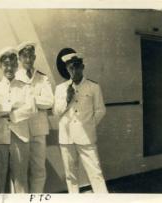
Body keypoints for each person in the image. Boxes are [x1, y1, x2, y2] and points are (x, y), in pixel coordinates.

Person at [53, 48, 108, 193]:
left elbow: (101, 110)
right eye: (71, 67)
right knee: (71, 177)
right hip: (67, 138)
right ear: (66, 69)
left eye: (77, 66)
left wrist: (88, 124)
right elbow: (56, 112)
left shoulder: (93, 87)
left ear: (82, 67)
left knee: (96, 174)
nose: (74, 70)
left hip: (86, 137)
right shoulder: (60, 89)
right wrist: (67, 99)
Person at [0, 47, 36, 193]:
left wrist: (10, 115)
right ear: (0, 66)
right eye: (6, 64)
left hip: (20, 138)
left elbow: (31, 108)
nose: (9, 68)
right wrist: (12, 106)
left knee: (20, 179)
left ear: (16, 66)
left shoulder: (25, 87)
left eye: (13, 64)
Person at [15, 42, 54, 193]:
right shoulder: (14, 77)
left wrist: (31, 101)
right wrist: (37, 100)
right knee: (20, 170)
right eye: (25, 56)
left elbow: (49, 101)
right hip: (21, 129)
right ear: (19, 58)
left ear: (35, 57)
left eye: (31, 55)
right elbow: (14, 103)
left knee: (39, 168)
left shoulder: (42, 78)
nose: (28, 59)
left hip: (39, 128)